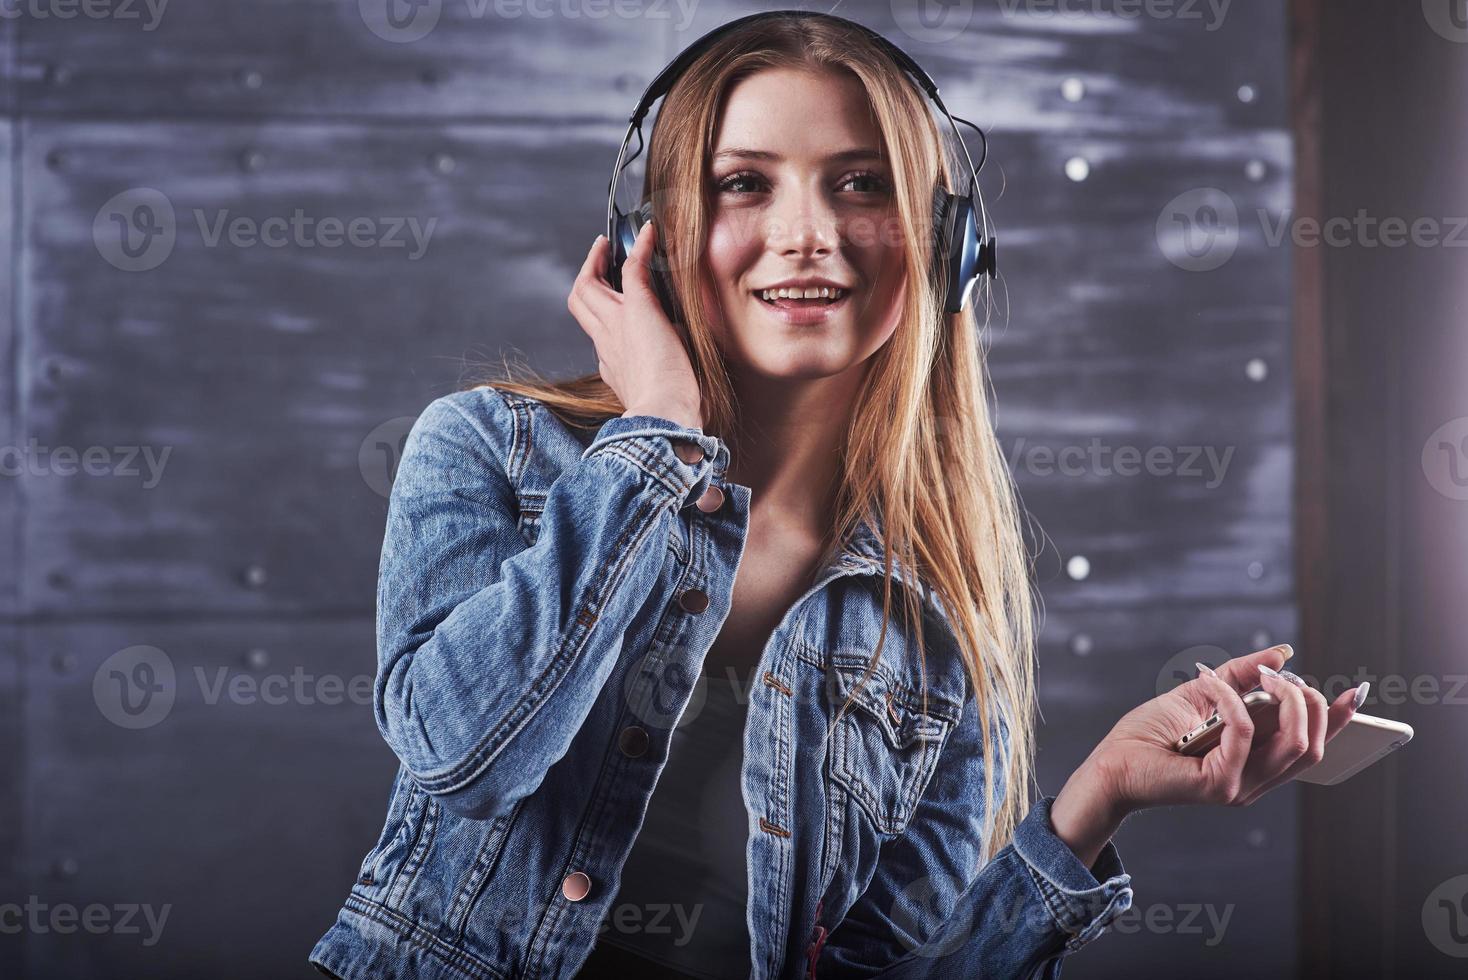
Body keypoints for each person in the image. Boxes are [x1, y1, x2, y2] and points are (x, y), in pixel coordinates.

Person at [309, 13, 1367, 980]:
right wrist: (660, 438)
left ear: (941, 247)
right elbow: (460, 752)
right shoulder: (489, 449)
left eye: (861, 183)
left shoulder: (939, 618)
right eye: (743, 183)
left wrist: (1096, 801)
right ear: (659, 233)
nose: (807, 232)